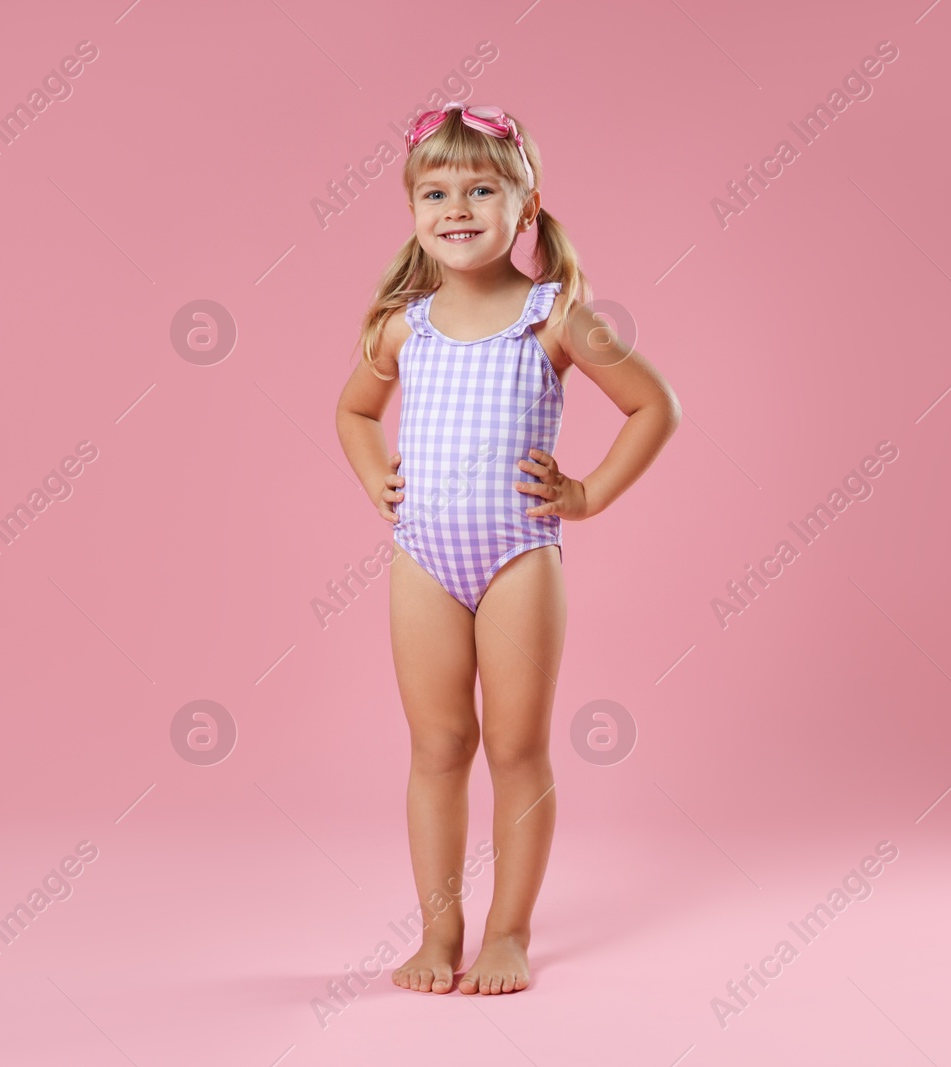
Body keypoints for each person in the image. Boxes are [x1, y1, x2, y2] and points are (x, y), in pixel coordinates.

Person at [334, 103, 681, 995]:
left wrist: (589, 492)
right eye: (438, 190)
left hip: (519, 555)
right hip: (424, 560)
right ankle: (436, 930)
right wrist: (376, 473)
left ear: (524, 206)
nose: (459, 206)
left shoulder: (553, 317)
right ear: (413, 207)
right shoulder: (401, 326)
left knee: (516, 748)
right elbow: (354, 411)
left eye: (482, 188)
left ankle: (508, 931)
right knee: (437, 745)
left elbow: (654, 407)